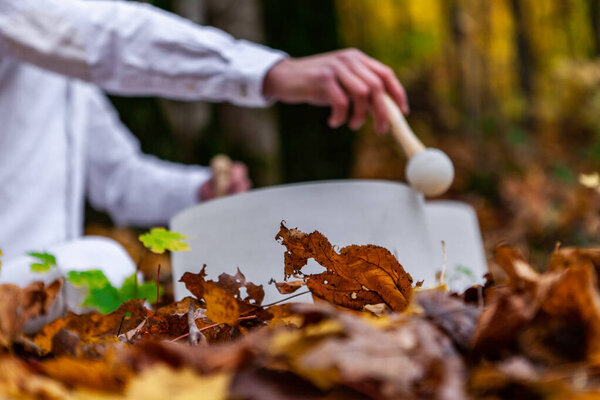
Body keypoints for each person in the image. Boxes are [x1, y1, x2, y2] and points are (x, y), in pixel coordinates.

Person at [0, 0, 409, 262]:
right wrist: (272, 72)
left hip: (34, 305)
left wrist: (197, 192)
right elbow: (107, 38)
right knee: (102, 261)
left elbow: (120, 179)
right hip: (20, 291)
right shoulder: (32, 19)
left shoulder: (62, 74)